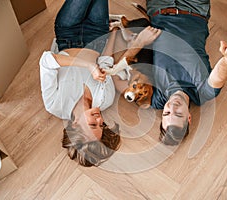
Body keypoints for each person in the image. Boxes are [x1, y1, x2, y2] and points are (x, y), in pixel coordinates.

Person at [39, 0, 161, 167]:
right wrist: (113, 34)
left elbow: (47, 61)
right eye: (101, 125)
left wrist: (88, 65)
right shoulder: (105, 99)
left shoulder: (54, 104)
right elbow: (105, 62)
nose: (99, 119)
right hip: (97, 36)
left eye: (92, 124)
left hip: (68, 35)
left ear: (74, 125)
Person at [145, 1, 227, 145]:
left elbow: (122, 85)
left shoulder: (157, 99)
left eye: (167, 113)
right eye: (178, 114)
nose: (173, 107)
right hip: (194, 8)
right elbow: (219, 77)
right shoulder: (203, 93)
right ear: (189, 117)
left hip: (160, 8)